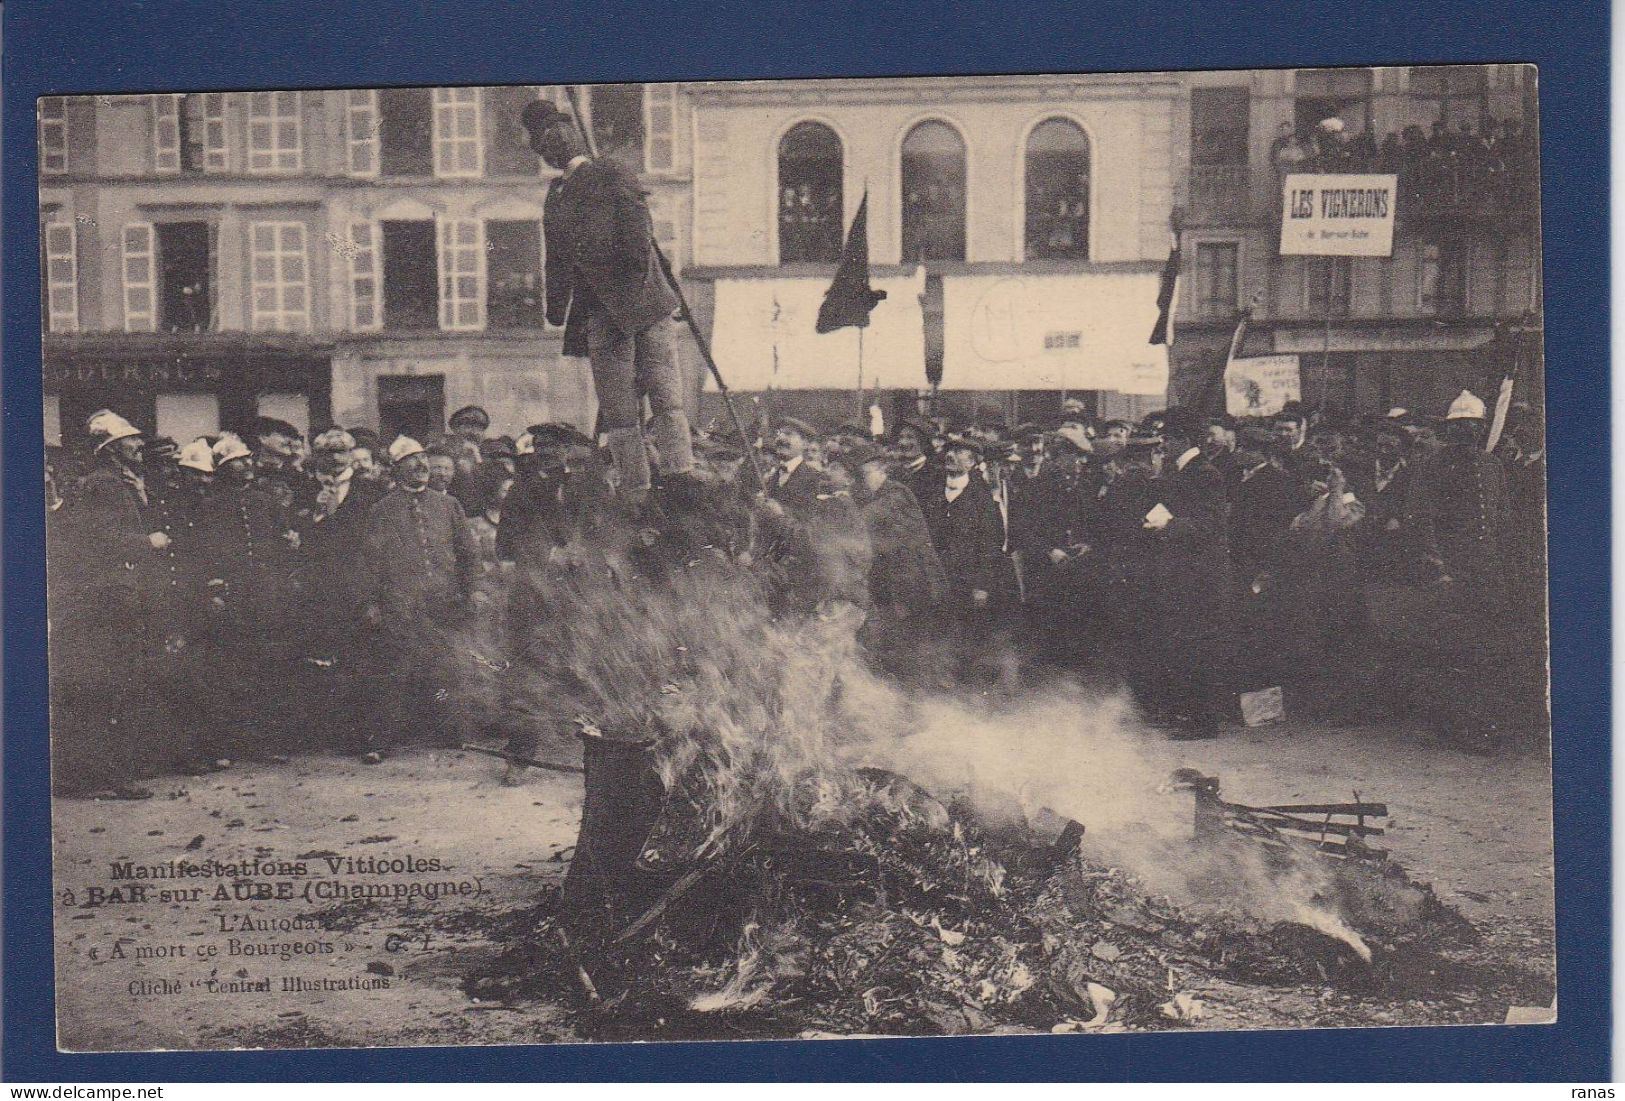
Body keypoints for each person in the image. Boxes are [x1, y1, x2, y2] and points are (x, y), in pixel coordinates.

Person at [523, 98, 696, 501]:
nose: (552, 150)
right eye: (544, 146)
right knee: (619, 409)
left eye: (556, 140)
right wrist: (555, 304)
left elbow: (638, 229)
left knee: (664, 393)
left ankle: (680, 474)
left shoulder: (612, 173)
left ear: (573, 137)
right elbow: (557, 256)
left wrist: (634, 285)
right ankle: (637, 488)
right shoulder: (557, 195)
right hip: (599, 310)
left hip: (643, 304)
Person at [360, 436, 484, 755]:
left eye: (423, 460)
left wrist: (470, 591)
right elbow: (372, 561)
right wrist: (373, 603)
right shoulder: (382, 510)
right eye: (411, 461)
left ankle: (452, 732)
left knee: (448, 666)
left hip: (443, 602)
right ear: (396, 469)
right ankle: (383, 739)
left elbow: (468, 553)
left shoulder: (448, 505)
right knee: (396, 670)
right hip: (401, 604)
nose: (421, 466)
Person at [1139, 408, 1235, 740]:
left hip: (1200, 578)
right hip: (1182, 575)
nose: (1163, 444)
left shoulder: (1205, 474)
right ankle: (1186, 714)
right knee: (1182, 645)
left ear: (1183, 440)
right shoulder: (1181, 472)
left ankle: (1203, 720)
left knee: (1199, 646)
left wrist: (1169, 524)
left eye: (1167, 438)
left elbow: (1210, 526)